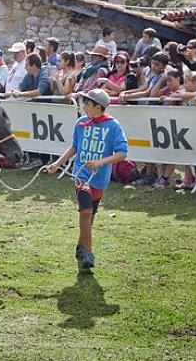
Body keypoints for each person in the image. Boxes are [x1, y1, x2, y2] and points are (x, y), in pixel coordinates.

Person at [47, 89, 128, 269]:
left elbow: (122, 153)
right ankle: (89, 253)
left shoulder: (113, 126)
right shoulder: (81, 123)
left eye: (87, 103)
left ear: (98, 107)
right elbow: (75, 146)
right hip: (81, 175)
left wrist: (100, 162)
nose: (83, 106)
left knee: (90, 215)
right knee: (85, 212)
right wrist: (59, 163)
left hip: (99, 178)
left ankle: (81, 246)